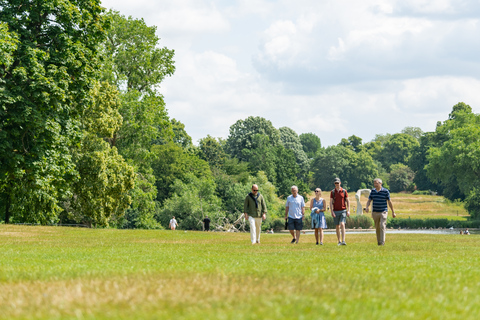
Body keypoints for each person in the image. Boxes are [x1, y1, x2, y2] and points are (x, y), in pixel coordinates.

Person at [365, 178, 396, 246]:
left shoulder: (385, 191)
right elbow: (369, 200)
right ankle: (379, 241)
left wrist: (393, 211)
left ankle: (382, 242)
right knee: (377, 227)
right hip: (375, 212)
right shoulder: (373, 191)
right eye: (374, 183)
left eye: (377, 183)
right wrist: (367, 207)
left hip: (383, 211)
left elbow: (389, 202)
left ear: (380, 183)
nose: (375, 185)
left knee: (382, 225)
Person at [330, 178, 350, 246]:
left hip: (343, 210)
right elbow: (330, 202)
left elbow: (347, 201)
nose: (337, 184)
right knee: (337, 226)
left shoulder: (344, 191)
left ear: (340, 183)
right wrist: (332, 211)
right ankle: (339, 241)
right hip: (335, 210)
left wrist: (349, 210)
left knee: (342, 224)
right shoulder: (332, 192)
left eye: (338, 183)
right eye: (335, 183)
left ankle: (343, 240)